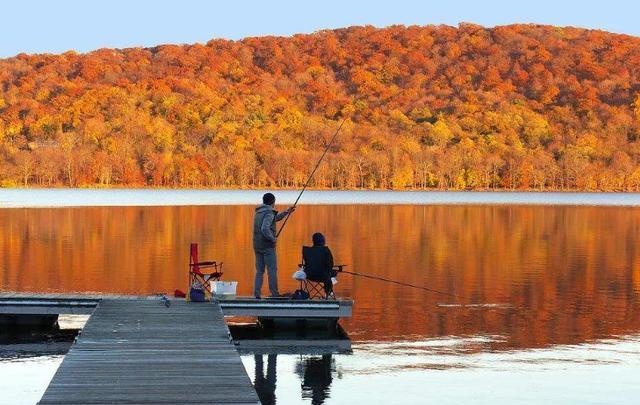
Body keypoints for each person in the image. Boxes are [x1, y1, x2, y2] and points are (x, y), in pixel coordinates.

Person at [253, 192, 294, 298]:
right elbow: (264, 228)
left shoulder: (259, 212)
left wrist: (287, 212)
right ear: (272, 202)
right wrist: (272, 239)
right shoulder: (269, 212)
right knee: (272, 270)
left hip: (257, 245)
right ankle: (275, 294)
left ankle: (256, 294)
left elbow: (274, 219)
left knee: (260, 271)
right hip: (267, 246)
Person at [303, 232, 337, 297]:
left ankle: (329, 292)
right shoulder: (326, 250)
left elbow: (307, 264)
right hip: (323, 276)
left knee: (328, 273)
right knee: (332, 273)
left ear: (313, 241)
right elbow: (330, 265)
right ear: (322, 241)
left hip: (309, 275)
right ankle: (329, 293)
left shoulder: (307, 251)